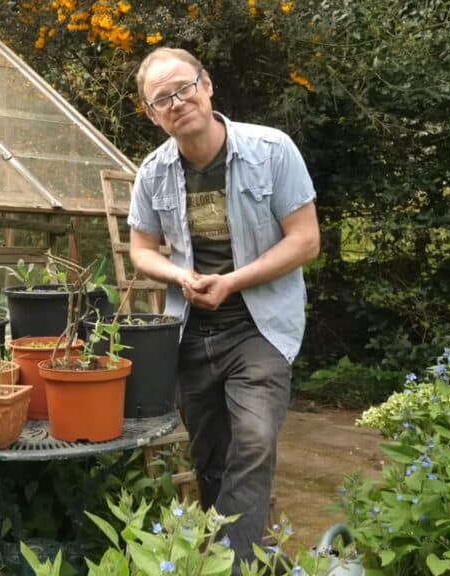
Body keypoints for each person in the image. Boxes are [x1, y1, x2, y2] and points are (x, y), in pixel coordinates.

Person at [127, 47, 320, 566]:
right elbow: (141, 250)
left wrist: (231, 282)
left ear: (207, 85)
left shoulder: (272, 150)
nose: (177, 102)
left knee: (253, 442)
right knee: (209, 456)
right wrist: (178, 274)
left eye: (183, 87)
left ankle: (238, 564)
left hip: (259, 327)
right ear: (152, 113)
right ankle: (233, 556)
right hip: (189, 330)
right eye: (161, 98)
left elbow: (305, 241)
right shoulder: (152, 174)